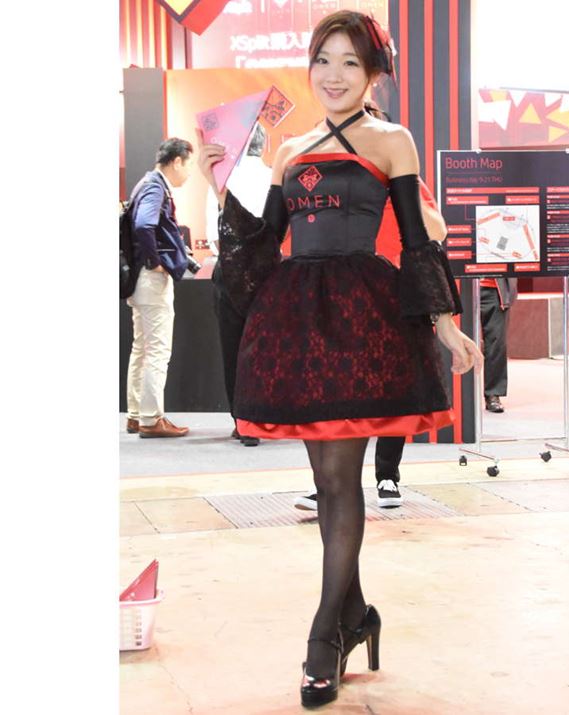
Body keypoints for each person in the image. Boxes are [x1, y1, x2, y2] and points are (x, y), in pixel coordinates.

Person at [196, 11, 481, 708]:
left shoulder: (392, 140)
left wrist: (444, 322)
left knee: (341, 478)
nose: (333, 74)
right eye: (324, 59)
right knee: (326, 482)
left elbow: (416, 239)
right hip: (300, 319)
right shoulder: (291, 150)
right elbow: (263, 247)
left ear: (373, 72)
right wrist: (219, 189)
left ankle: (324, 635)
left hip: (364, 321)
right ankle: (356, 614)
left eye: (350, 62)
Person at [207, 123, 273, 446]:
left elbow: (213, 234)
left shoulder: (222, 179)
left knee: (232, 346)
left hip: (230, 269)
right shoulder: (274, 177)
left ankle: (241, 420)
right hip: (266, 273)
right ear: (264, 144)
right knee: (263, 348)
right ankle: (262, 415)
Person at [125, 138, 194, 438]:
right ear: (176, 161)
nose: (188, 173)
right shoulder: (156, 187)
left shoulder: (145, 183)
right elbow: (144, 225)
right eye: (188, 165)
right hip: (150, 280)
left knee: (142, 347)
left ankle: (136, 414)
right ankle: (152, 419)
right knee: (157, 350)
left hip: (138, 280)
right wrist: (155, 262)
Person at [480, 277, 518, 413]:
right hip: (464, 286)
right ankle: (458, 396)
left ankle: (493, 394)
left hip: (496, 290)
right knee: (461, 343)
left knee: (496, 343)